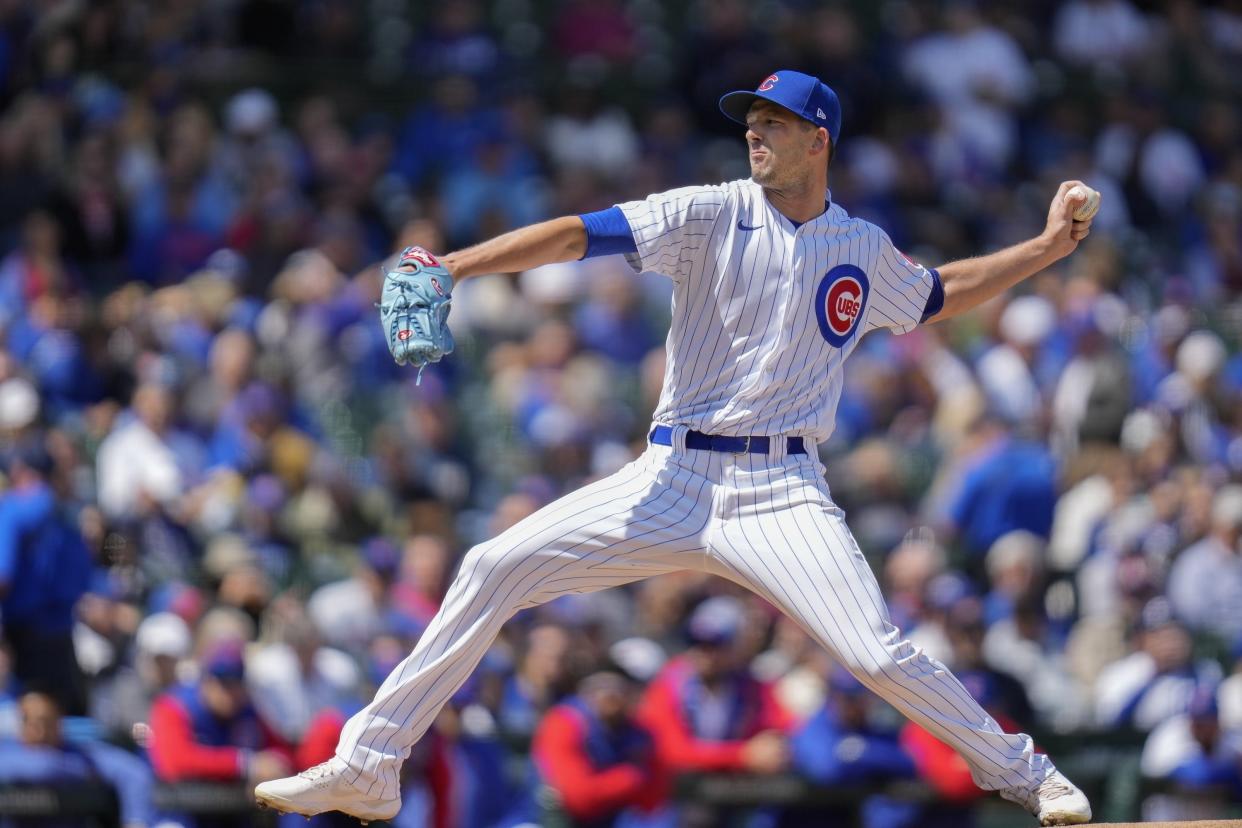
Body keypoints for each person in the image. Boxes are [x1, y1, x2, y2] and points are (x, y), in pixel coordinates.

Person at [256, 68, 1095, 825]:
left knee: (876, 650)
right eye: (751, 122)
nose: (756, 134)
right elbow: (580, 234)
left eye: (774, 122)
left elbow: (941, 296)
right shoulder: (709, 210)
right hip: (671, 475)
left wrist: (1047, 249)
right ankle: (369, 765)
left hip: (783, 490)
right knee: (490, 567)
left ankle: (1029, 775)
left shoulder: (862, 249)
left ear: (819, 138)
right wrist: (458, 267)